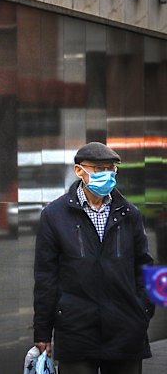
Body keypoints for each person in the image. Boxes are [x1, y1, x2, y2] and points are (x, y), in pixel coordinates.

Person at [33, 142, 155, 374]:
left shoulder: (129, 214)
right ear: (79, 171)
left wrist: (142, 312)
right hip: (77, 332)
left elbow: (144, 267)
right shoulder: (54, 216)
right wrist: (42, 333)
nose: (106, 175)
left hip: (125, 331)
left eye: (111, 169)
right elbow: (46, 278)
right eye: (99, 170)